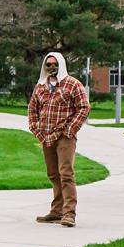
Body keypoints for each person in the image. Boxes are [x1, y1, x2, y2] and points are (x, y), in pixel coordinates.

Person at [27, 51, 91, 227]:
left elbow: (84, 108)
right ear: (44, 67)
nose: (52, 68)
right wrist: (36, 129)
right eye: (48, 65)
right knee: (53, 174)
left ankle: (69, 213)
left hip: (64, 137)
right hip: (46, 136)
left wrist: (70, 130)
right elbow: (32, 109)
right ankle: (56, 212)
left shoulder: (72, 84)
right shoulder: (40, 86)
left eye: (55, 64)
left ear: (61, 65)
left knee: (66, 173)